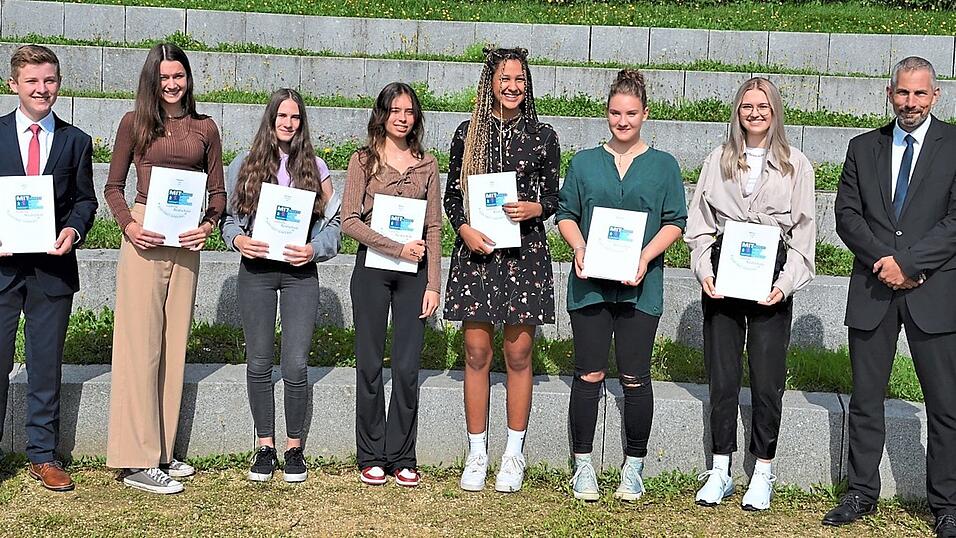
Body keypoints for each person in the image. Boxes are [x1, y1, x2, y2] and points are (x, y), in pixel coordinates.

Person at [826, 56, 956, 538]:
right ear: (889, 92)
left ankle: (947, 503)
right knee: (865, 399)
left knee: (946, 403)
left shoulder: (954, 146)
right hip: (873, 288)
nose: (911, 103)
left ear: (935, 96)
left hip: (935, 290)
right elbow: (847, 215)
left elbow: (955, 222)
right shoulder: (863, 147)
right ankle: (861, 491)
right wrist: (887, 261)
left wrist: (912, 265)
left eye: (920, 94)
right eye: (903, 93)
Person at [685, 77, 815, 510]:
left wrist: (784, 285)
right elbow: (700, 226)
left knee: (766, 379)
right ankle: (720, 468)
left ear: (775, 111)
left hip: (770, 279)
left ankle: (763, 470)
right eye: (746, 106)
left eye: (762, 106)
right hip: (724, 277)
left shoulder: (797, 164)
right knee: (722, 377)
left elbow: (803, 234)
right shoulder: (717, 160)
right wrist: (704, 271)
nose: (755, 113)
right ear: (737, 112)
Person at [556, 69, 686, 502]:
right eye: (615, 113)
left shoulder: (664, 165)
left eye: (631, 113)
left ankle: (634, 467)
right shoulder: (584, 162)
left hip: (640, 286)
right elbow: (566, 213)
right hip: (590, 286)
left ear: (645, 114)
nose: (623, 121)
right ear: (606, 114)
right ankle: (583, 466)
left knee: (634, 377)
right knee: (589, 373)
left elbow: (675, 223)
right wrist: (578, 248)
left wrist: (645, 258)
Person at [104, 43, 226, 494]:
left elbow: (217, 193)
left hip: (187, 239)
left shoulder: (205, 128)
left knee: (173, 346)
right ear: (152, 81)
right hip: (144, 233)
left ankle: (160, 451)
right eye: (164, 78)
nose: (172, 84)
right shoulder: (134, 123)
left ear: (188, 79)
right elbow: (113, 187)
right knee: (141, 346)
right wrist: (129, 228)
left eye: (179, 76)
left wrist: (209, 225)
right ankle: (135, 460)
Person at [444, 47, 560, 493]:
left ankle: (513, 454)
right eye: (504, 78)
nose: (512, 87)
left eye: (520, 79)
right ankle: (477, 452)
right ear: (489, 82)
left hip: (523, 254)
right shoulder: (467, 134)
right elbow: (453, 195)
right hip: (478, 253)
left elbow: (553, 196)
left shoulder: (543, 135)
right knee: (476, 352)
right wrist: (464, 228)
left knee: (518, 354)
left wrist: (536, 207)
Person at [221, 88, 340, 483]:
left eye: (295, 118)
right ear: (270, 119)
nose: (288, 124)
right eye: (282, 117)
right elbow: (228, 221)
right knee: (258, 362)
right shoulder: (245, 163)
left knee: (295, 363)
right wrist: (238, 241)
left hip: (298, 274)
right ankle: (265, 446)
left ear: (302, 123)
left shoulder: (317, 169)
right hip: (256, 270)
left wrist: (314, 248)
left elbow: (337, 226)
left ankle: (293, 449)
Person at [0, 45, 97, 491]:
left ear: (59, 83)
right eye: (33, 81)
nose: (42, 89)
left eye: (50, 80)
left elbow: (84, 200)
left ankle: (43, 454)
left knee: (45, 366)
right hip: (2, 270)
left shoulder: (76, 141)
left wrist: (73, 232)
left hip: (52, 272)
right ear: (13, 84)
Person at [342, 82, 441, 487]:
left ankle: (402, 455)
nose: (403, 118)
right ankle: (371, 453)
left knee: (405, 366)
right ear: (381, 114)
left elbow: (433, 226)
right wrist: (397, 247)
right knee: (368, 364)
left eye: (410, 111)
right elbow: (349, 220)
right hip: (372, 271)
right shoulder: (362, 161)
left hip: (414, 276)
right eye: (395, 110)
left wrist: (434, 283)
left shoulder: (427, 164)